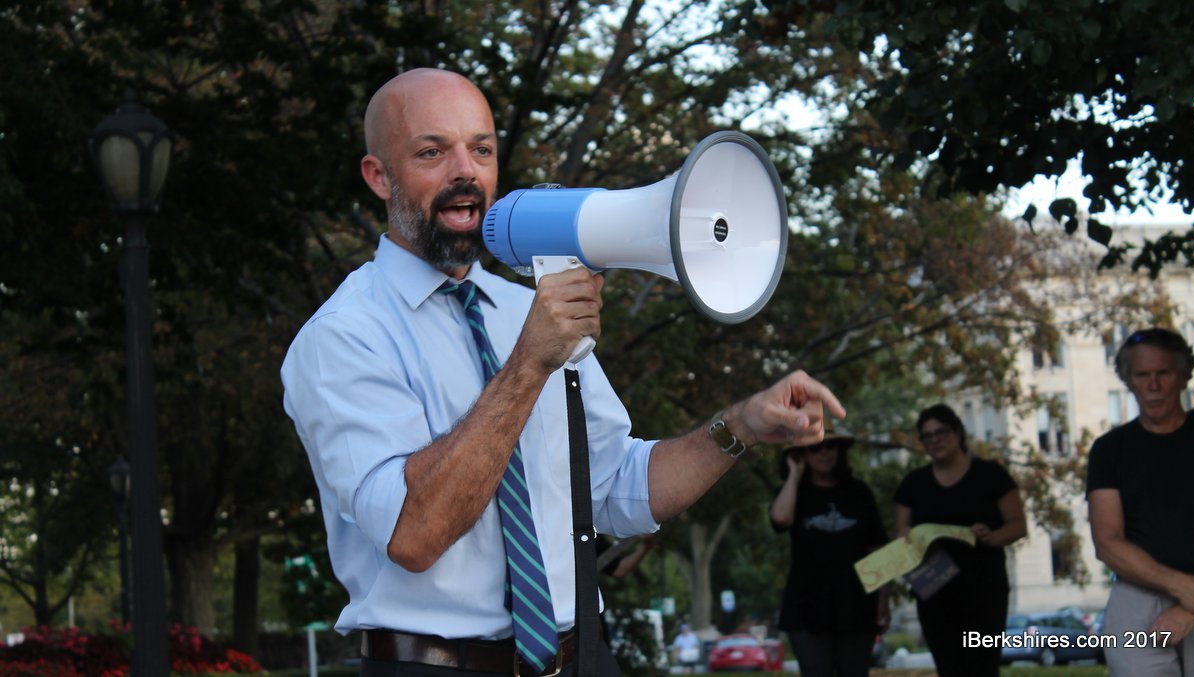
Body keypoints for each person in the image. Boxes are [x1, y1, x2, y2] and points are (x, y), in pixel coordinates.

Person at [279, 67, 845, 677]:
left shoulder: (529, 312)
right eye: (432, 152)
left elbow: (617, 487)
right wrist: (530, 361)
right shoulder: (343, 336)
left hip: (582, 658)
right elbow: (413, 534)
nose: (466, 171)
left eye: (482, 150)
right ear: (378, 176)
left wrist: (742, 426)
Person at [1087, 327, 1194, 676]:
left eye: (1163, 373)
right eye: (1141, 375)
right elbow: (1107, 543)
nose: (1153, 385)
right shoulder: (1109, 450)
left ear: (1184, 375)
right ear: (1127, 380)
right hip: (1139, 596)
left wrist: (1191, 604)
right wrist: (1184, 588)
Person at [893, 403, 1027, 677]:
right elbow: (900, 533)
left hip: (984, 591)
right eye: (927, 436)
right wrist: (906, 538)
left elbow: (1018, 525)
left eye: (941, 432)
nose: (935, 440)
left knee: (983, 668)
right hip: (934, 592)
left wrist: (992, 537)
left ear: (958, 432)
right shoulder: (913, 484)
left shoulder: (991, 475)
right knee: (949, 668)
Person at [769, 431, 889, 677]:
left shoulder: (859, 493)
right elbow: (780, 519)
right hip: (806, 609)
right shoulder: (794, 493)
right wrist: (794, 474)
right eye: (814, 447)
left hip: (856, 607)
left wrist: (883, 599)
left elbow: (877, 548)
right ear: (802, 453)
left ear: (840, 451)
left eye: (831, 445)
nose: (824, 452)